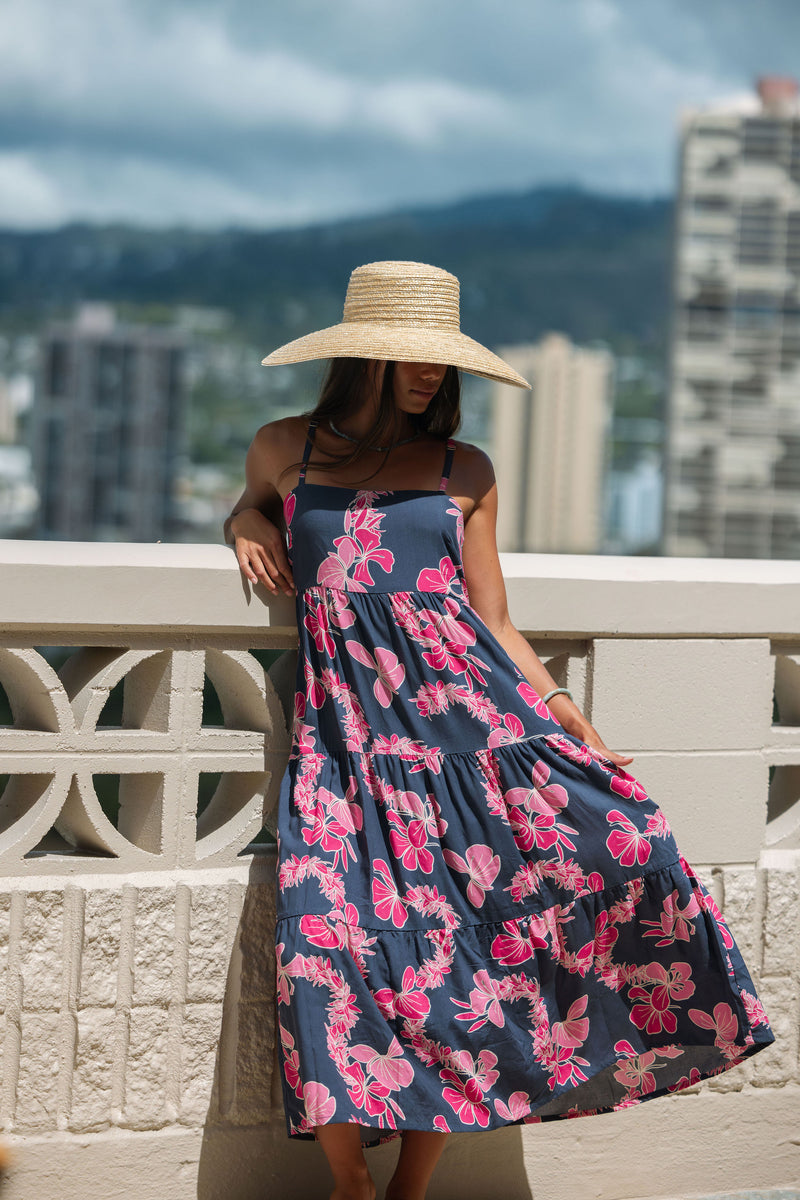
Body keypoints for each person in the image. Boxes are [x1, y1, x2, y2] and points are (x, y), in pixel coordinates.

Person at [225, 261, 773, 1200]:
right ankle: (350, 1180)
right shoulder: (286, 447)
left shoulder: (461, 469)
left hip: (469, 740)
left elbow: (493, 619)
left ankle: (409, 1189)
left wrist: (569, 720)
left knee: (474, 960)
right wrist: (245, 519)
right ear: (365, 357)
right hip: (347, 752)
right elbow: (259, 504)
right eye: (413, 359)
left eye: (442, 362)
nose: (432, 376)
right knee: (319, 950)